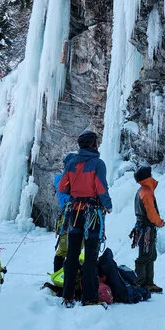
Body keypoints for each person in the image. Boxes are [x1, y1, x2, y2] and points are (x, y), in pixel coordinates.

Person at [56, 131, 112, 307]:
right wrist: (108, 205)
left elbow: (62, 187)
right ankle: (89, 297)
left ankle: (68, 295)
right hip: (92, 214)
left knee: (72, 255)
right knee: (90, 256)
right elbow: (101, 188)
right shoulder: (98, 164)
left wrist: (75, 190)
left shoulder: (71, 163)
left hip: (75, 213)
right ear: (92, 144)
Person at [132, 165, 165, 293]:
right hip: (146, 228)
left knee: (150, 254)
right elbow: (151, 213)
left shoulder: (141, 191)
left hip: (143, 227)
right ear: (147, 177)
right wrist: (159, 222)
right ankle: (140, 283)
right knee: (145, 255)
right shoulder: (146, 192)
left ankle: (148, 282)